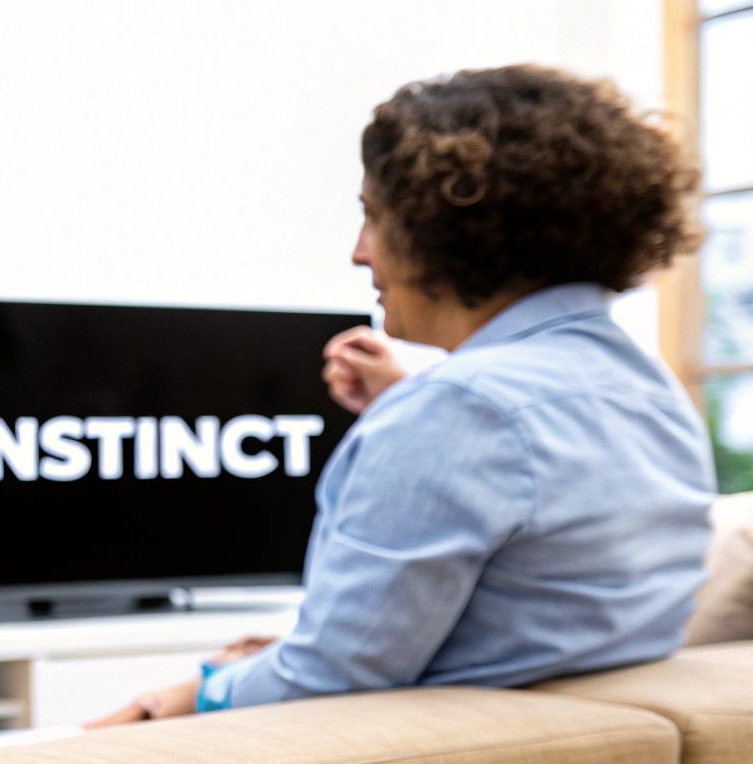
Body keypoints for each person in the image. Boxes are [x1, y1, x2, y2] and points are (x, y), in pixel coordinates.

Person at [88, 64, 714, 725]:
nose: (360, 254)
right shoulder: (651, 392)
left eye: (373, 217)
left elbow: (330, 678)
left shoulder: (454, 414)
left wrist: (190, 694)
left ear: (444, 226)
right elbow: (540, 608)